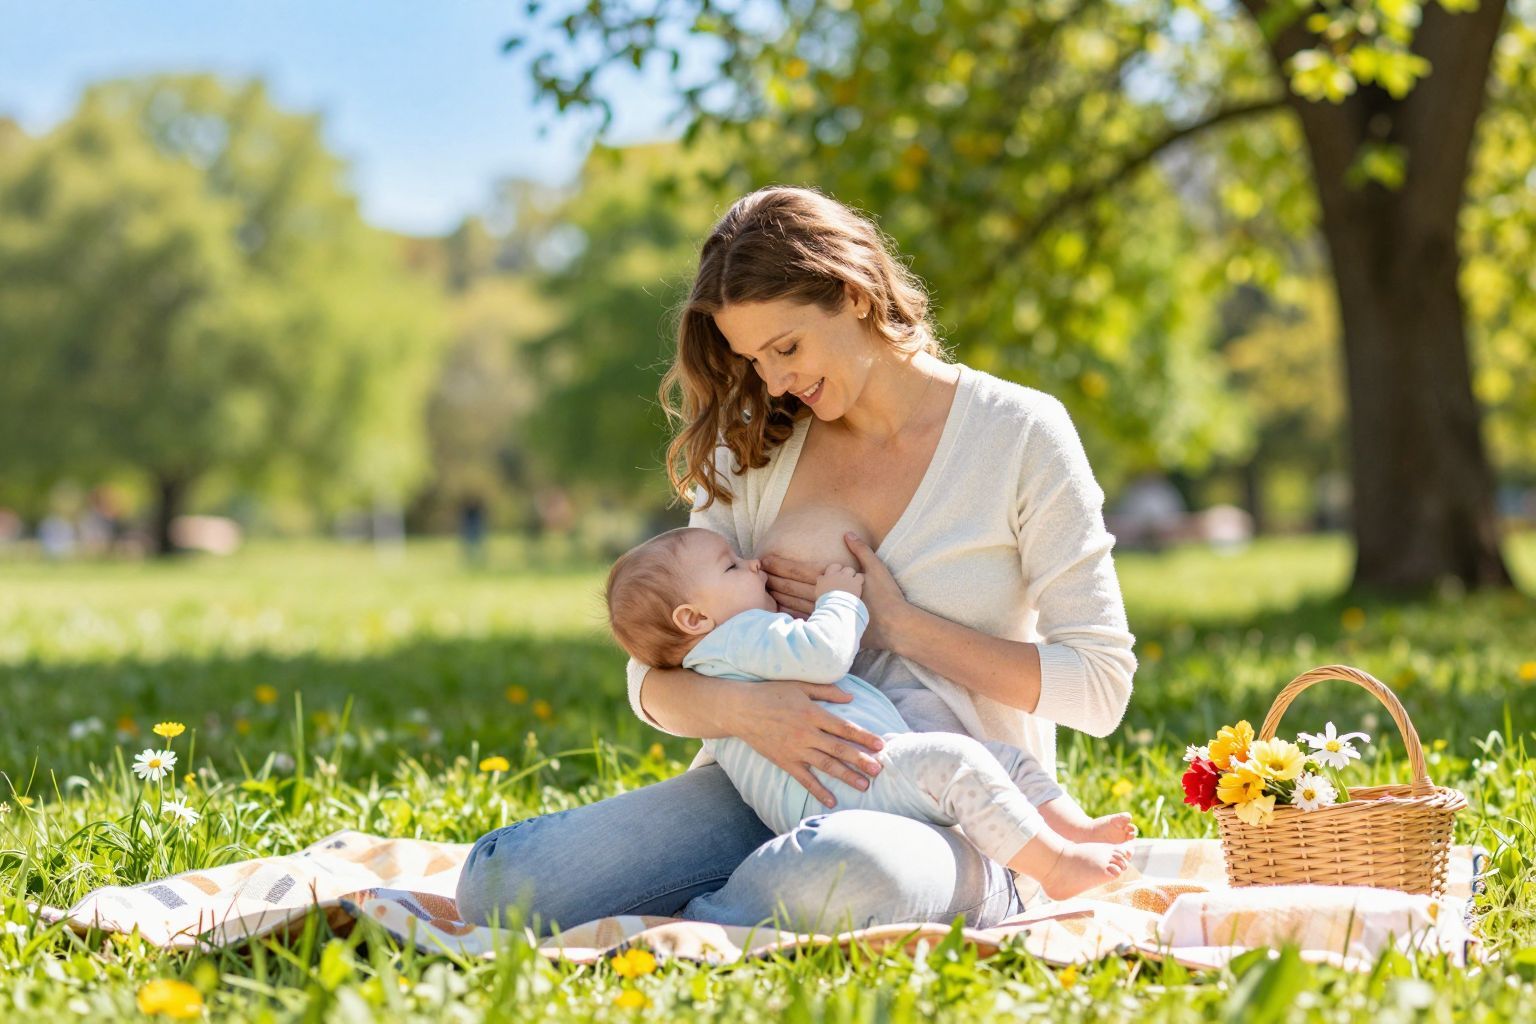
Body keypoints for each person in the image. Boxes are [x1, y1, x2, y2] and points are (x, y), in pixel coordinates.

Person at [456, 185, 1137, 932]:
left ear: (852, 294)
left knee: (841, 871)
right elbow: (651, 675)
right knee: (503, 884)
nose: (775, 381)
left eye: (786, 348)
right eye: (755, 359)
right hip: (762, 794)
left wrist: (899, 627)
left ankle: (707, 919)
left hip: (965, 813)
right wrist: (748, 710)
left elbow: (1098, 688)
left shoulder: (1020, 435)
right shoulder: (752, 449)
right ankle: (745, 902)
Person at [604, 524, 1135, 900]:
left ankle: (1074, 831)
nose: (753, 563)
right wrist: (840, 598)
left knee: (996, 762)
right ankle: (1055, 866)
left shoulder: (716, 651)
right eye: (731, 565)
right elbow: (825, 653)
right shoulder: (738, 636)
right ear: (694, 617)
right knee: (960, 762)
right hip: (850, 781)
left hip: (844, 782)